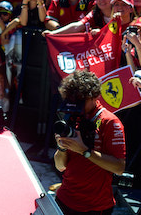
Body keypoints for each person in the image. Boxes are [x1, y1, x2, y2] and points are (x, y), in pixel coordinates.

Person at [54, 70, 126, 215]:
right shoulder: (71, 118)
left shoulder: (110, 122)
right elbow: (60, 166)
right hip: (64, 199)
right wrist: (62, 148)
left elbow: (119, 168)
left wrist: (84, 151)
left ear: (93, 96)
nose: (75, 105)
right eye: (72, 100)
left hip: (95, 207)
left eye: (79, 100)